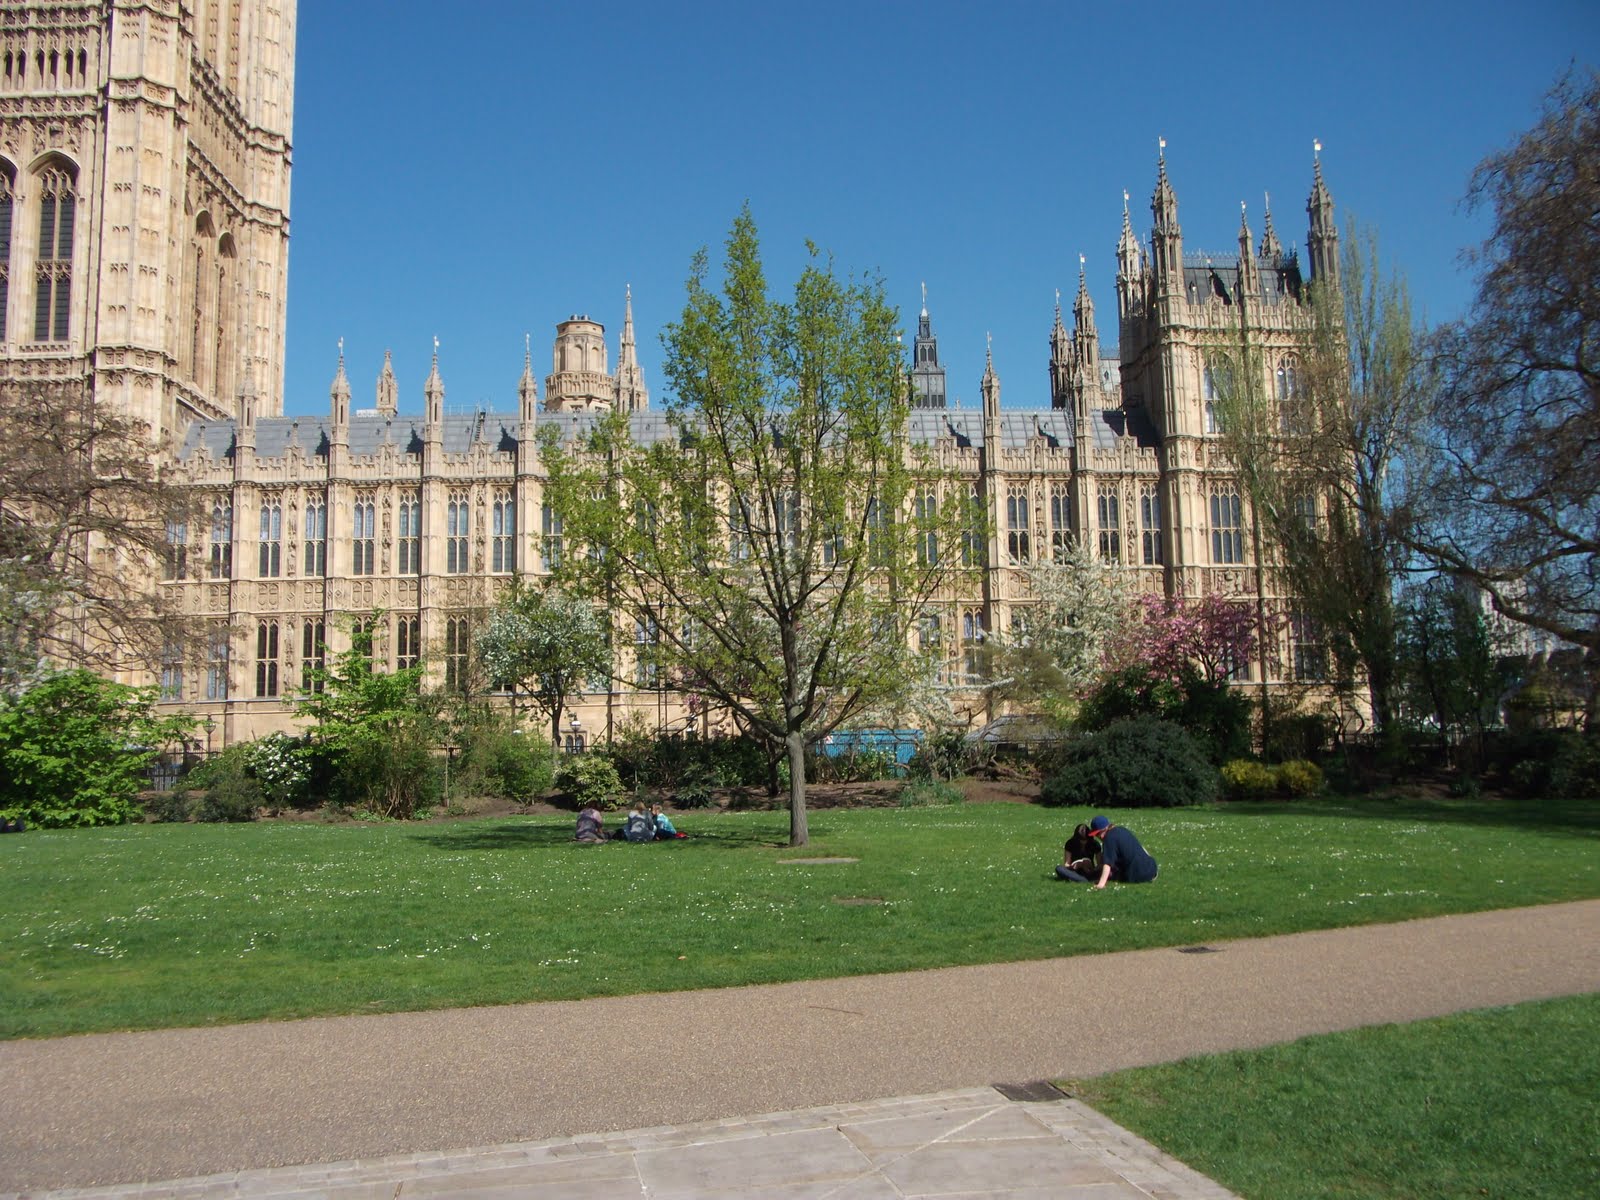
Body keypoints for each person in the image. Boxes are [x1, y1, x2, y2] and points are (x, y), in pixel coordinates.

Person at [1087, 814, 1158, 887]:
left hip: (1138, 875)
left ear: (1105, 829)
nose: (1099, 837)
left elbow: (1107, 864)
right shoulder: (1122, 829)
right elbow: (1142, 848)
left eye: (1098, 834)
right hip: (1152, 869)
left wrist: (1101, 884)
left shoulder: (1109, 838)